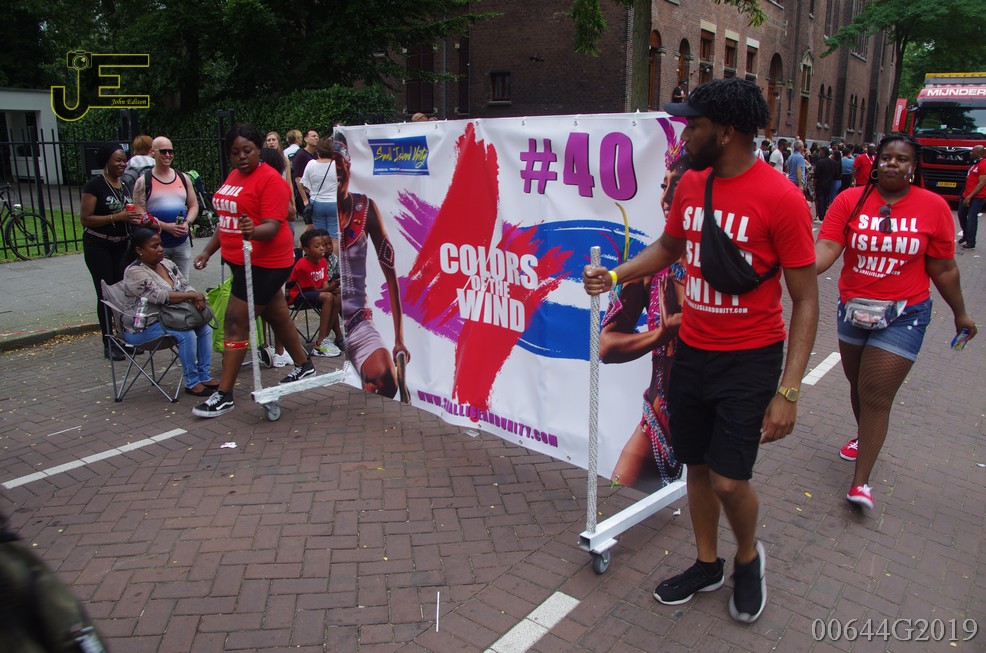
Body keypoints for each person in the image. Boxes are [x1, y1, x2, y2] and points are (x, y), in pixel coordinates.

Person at [583, 78, 817, 624]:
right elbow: (670, 247)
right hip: (692, 352)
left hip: (750, 359)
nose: (685, 134)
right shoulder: (692, 185)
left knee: (730, 480)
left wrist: (788, 391)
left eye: (694, 125)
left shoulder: (782, 198)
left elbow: (807, 300)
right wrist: (616, 275)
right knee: (697, 466)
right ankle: (707, 563)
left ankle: (748, 557)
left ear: (727, 131)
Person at [815, 134, 978, 511]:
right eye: (886, 157)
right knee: (858, 385)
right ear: (876, 162)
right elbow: (828, 246)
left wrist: (961, 313)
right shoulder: (850, 200)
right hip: (853, 309)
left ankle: (860, 483)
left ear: (913, 166)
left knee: (875, 393)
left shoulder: (933, 207)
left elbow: (944, 268)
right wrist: (798, 265)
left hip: (905, 314)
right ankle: (865, 436)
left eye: (901, 159)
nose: (892, 163)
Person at [191, 123, 316, 418]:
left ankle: (224, 394)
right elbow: (227, 221)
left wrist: (253, 230)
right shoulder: (234, 176)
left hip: (266, 263)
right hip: (240, 260)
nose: (241, 157)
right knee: (276, 312)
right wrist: (208, 251)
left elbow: (272, 226)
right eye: (235, 152)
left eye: (247, 150)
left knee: (236, 321)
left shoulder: (271, 180)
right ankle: (304, 365)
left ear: (258, 149)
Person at [335, 141, 411, 401]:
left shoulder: (365, 208)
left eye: (340, 167)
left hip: (358, 322)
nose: (336, 174)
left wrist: (399, 338)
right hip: (329, 318)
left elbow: (391, 276)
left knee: (386, 381)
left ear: (349, 166)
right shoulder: (319, 211)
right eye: (330, 170)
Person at [122, 227, 217, 396]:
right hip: (144, 327)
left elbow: (185, 285)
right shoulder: (134, 272)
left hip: (174, 317)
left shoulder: (167, 264)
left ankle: (204, 376)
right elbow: (160, 296)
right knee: (187, 334)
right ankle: (192, 382)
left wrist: (195, 296)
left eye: (161, 245)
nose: (160, 249)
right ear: (139, 250)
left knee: (205, 328)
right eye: (154, 246)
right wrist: (193, 296)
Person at [81, 142, 147, 360]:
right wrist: (117, 217)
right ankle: (108, 342)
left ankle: (125, 338)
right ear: (106, 162)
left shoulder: (124, 184)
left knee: (123, 293)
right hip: (99, 245)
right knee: (106, 294)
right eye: (117, 160)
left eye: (124, 160)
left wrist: (133, 219)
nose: (122, 164)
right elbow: (86, 219)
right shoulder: (94, 186)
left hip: (121, 245)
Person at [132, 136, 199, 280]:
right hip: (156, 245)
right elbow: (140, 214)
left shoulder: (183, 178)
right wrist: (167, 227)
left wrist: (187, 223)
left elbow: (193, 205)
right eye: (163, 151)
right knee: (162, 285)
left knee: (183, 283)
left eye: (170, 151)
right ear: (153, 152)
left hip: (182, 242)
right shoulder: (144, 181)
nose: (167, 155)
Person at [287, 229, 342, 357]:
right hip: (299, 295)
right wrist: (332, 287)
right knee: (328, 297)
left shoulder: (322, 261)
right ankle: (320, 342)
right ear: (306, 250)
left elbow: (325, 286)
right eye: (317, 246)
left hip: (316, 294)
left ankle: (323, 339)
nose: (322, 248)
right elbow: (314, 290)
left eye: (322, 245)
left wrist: (333, 288)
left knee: (336, 297)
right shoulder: (303, 265)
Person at [301, 136, 340, 251]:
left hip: (317, 203)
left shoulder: (311, 164)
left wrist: (312, 191)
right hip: (334, 202)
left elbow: (304, 185)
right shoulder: (337, 165)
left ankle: (321, 259)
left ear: (318, 151)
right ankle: (333, 261)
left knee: (319, 235)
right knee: (334, 237)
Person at [958, 144, 986, 250]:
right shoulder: (975, 164)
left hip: (977, 197)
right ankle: (966, 235)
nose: (970, 153)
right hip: (966, 194)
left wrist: (970, 197)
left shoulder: (984, 164)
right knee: (961, 215)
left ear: (979, 153)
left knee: (972, 218)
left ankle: (971, 242)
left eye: (973, 151)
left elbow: (982, 183)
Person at [291, 128, 319, 229]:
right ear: (306, 139)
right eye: (313, 136)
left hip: (314, 192)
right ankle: (302, 240)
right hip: (304, 192)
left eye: (317, 136)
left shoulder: (317, 154)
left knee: (314, 224)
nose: (316, 138)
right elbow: (298, 179)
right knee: (310, 224)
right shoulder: (300, 155)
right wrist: (305, 200)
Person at [811, 146, 839, 221]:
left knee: (820, 199)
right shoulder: (834, 162)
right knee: (826, 199)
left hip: (820, 183)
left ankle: (821, 215)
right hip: (829, 183)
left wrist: (814, 182)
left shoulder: (820, 162)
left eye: (821, 152)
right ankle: (823, 214)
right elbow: (836, 174)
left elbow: (816, 174)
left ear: (823, 153)